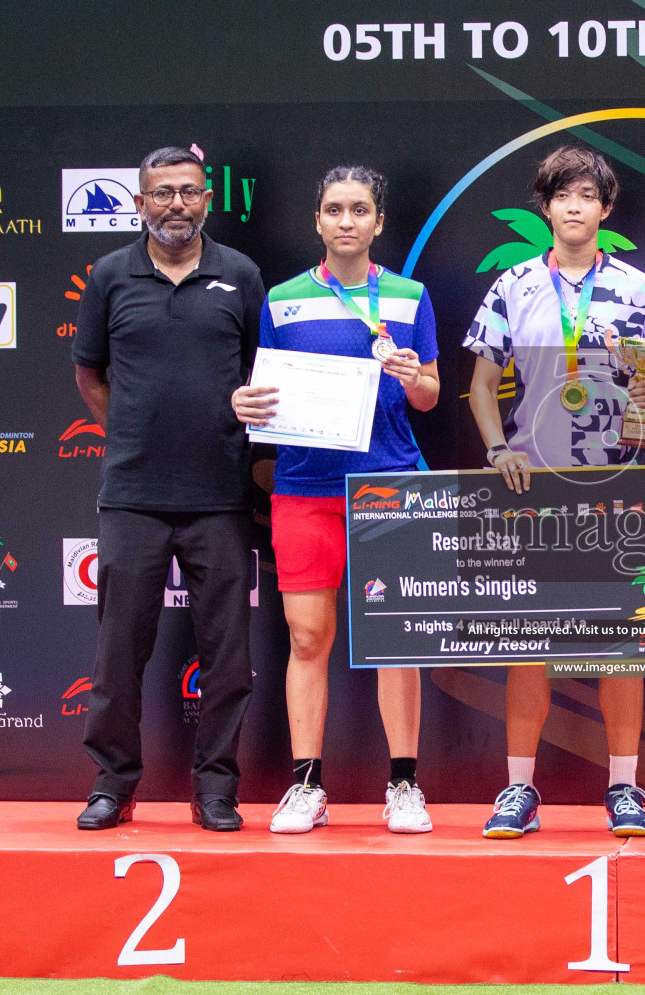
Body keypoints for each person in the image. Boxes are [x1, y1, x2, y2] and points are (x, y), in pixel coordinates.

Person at [464, 146, 645, 839]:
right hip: (537, 486)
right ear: (545, 207)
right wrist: (497, 450)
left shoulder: (639, 289)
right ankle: (519, 787)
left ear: (606, 209)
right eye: (563, 195)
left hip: (619, 486)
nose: (575, 206)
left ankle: (625, 787)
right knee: (532, 644)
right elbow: (485, 385)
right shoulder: (513, 285)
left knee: (620, 646)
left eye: (588, 195)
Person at [232, 166, 440, 835]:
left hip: (392, 482)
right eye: (333, 209)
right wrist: (248, 404)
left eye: (359, 209)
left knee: (397, 641)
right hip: (304, 488)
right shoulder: (284, 300)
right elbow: (268, 394)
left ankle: (404, 783)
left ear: (379, 222)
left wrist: (414, 377)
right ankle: (306, 786)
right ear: (316, 222)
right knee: (307, 635)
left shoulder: (409, 296)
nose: (346, 221)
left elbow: (431, 394)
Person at [72, 146, 264, 831]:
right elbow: (90, 375)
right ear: (140, 203)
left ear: (207, 199)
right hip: (132, 495)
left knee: (228, 658)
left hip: (220, 494)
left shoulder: (239, 275)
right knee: (119, 652)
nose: (175, 204)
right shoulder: (109, 276)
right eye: (162, 193)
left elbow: (260, 374)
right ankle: (113, 783)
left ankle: (215, 789)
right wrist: (129, 432)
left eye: (188, 192)